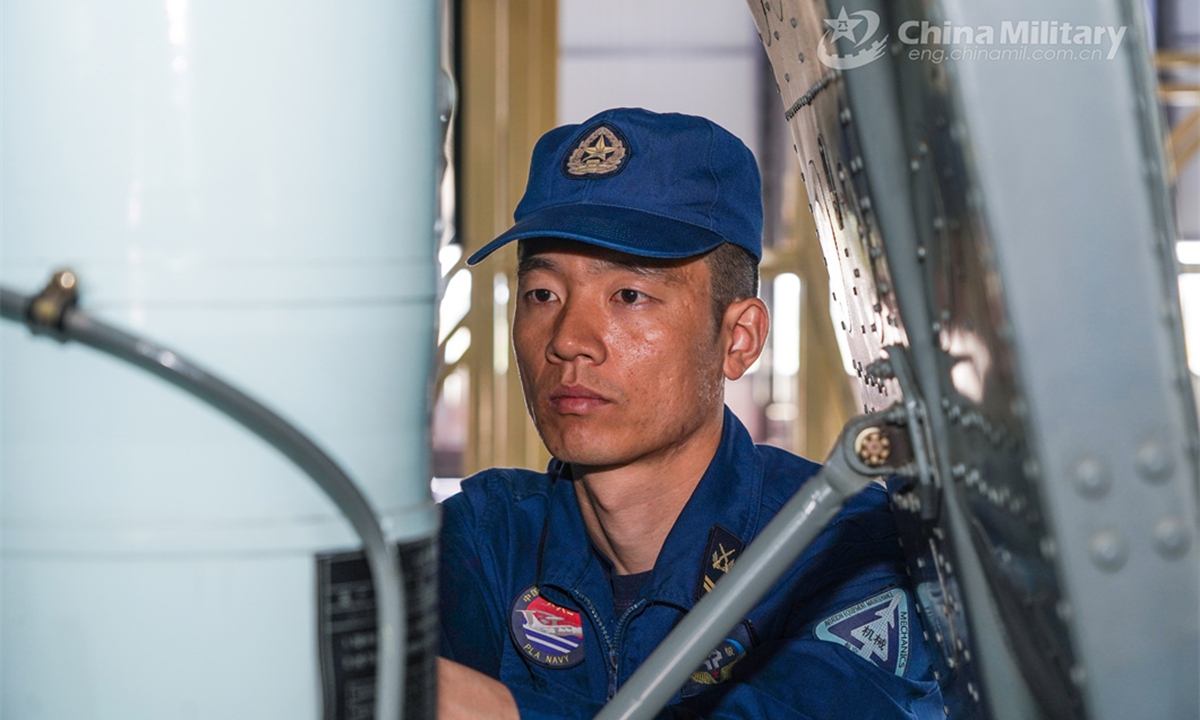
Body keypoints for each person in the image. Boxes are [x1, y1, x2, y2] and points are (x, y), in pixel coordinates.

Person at [437, 107, 944, 719]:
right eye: (542, 294)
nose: (569, 338)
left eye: (629, 295)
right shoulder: (490, 538)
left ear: (739, 339)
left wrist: (502, 713)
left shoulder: (842, 546)